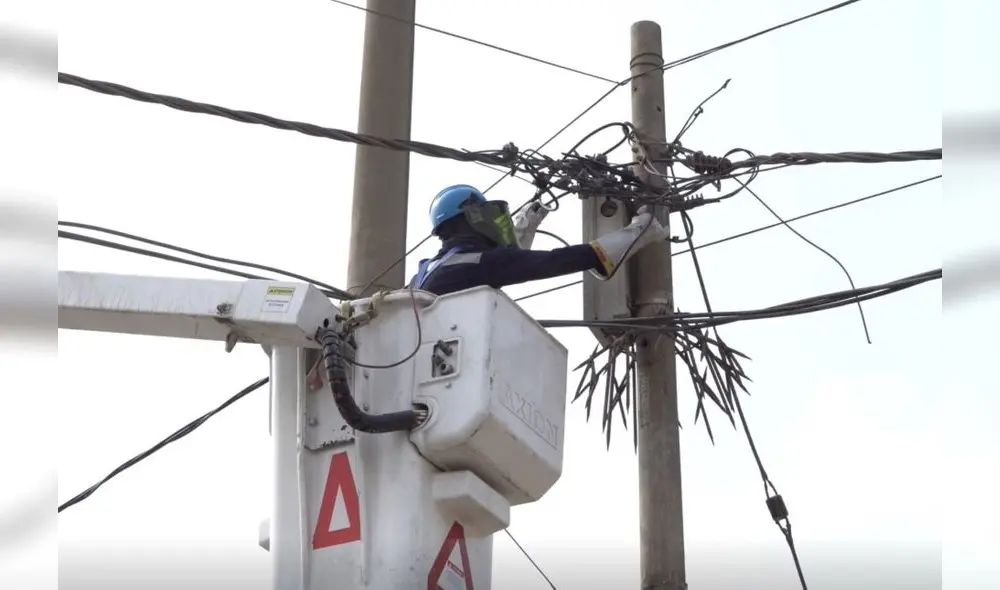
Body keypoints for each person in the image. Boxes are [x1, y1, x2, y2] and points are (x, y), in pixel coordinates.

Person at [409, 184, 669, 296]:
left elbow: (510, 260)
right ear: (471, 218)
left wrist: (531, 218)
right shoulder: (480, 263)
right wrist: (640, 231)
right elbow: (553, 261)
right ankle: (648, 229)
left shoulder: (422, 273)